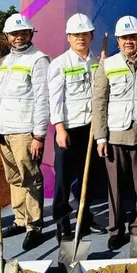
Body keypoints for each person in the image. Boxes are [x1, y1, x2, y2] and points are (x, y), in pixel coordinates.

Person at [92, 15, 137, 250]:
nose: (128, 42)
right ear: (118, 40)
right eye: (124, 38)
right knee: (114, 186)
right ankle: (116, 230)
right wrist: (100, 137)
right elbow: (99, 102)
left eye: (132, 37)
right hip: (115, 134)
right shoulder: (108, 65)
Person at [48, 13, 107, 242]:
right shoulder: (60, 64)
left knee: (87, 178)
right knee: (63, 180)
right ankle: (62, 224)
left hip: (90, 129)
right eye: (75, 35)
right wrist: (60, 128)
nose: (80, 38)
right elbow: (55, 99)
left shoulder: (98, 61)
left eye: (84, 34)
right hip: (69, 129)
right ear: (68, 37)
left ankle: (85, 218)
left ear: (91, 36)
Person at [0, 13, 49, 249]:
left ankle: (34, 225)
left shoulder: (38, 60)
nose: (19, 37)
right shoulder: (6, 60)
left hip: (25, 132)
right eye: (14, 34)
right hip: (5, 130)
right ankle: (20, 219)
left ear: (31, 34)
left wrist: (38, 135)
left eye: (23, 33)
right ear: (7, 36)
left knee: (30, 178)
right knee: (14, 178)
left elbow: (43, 99)